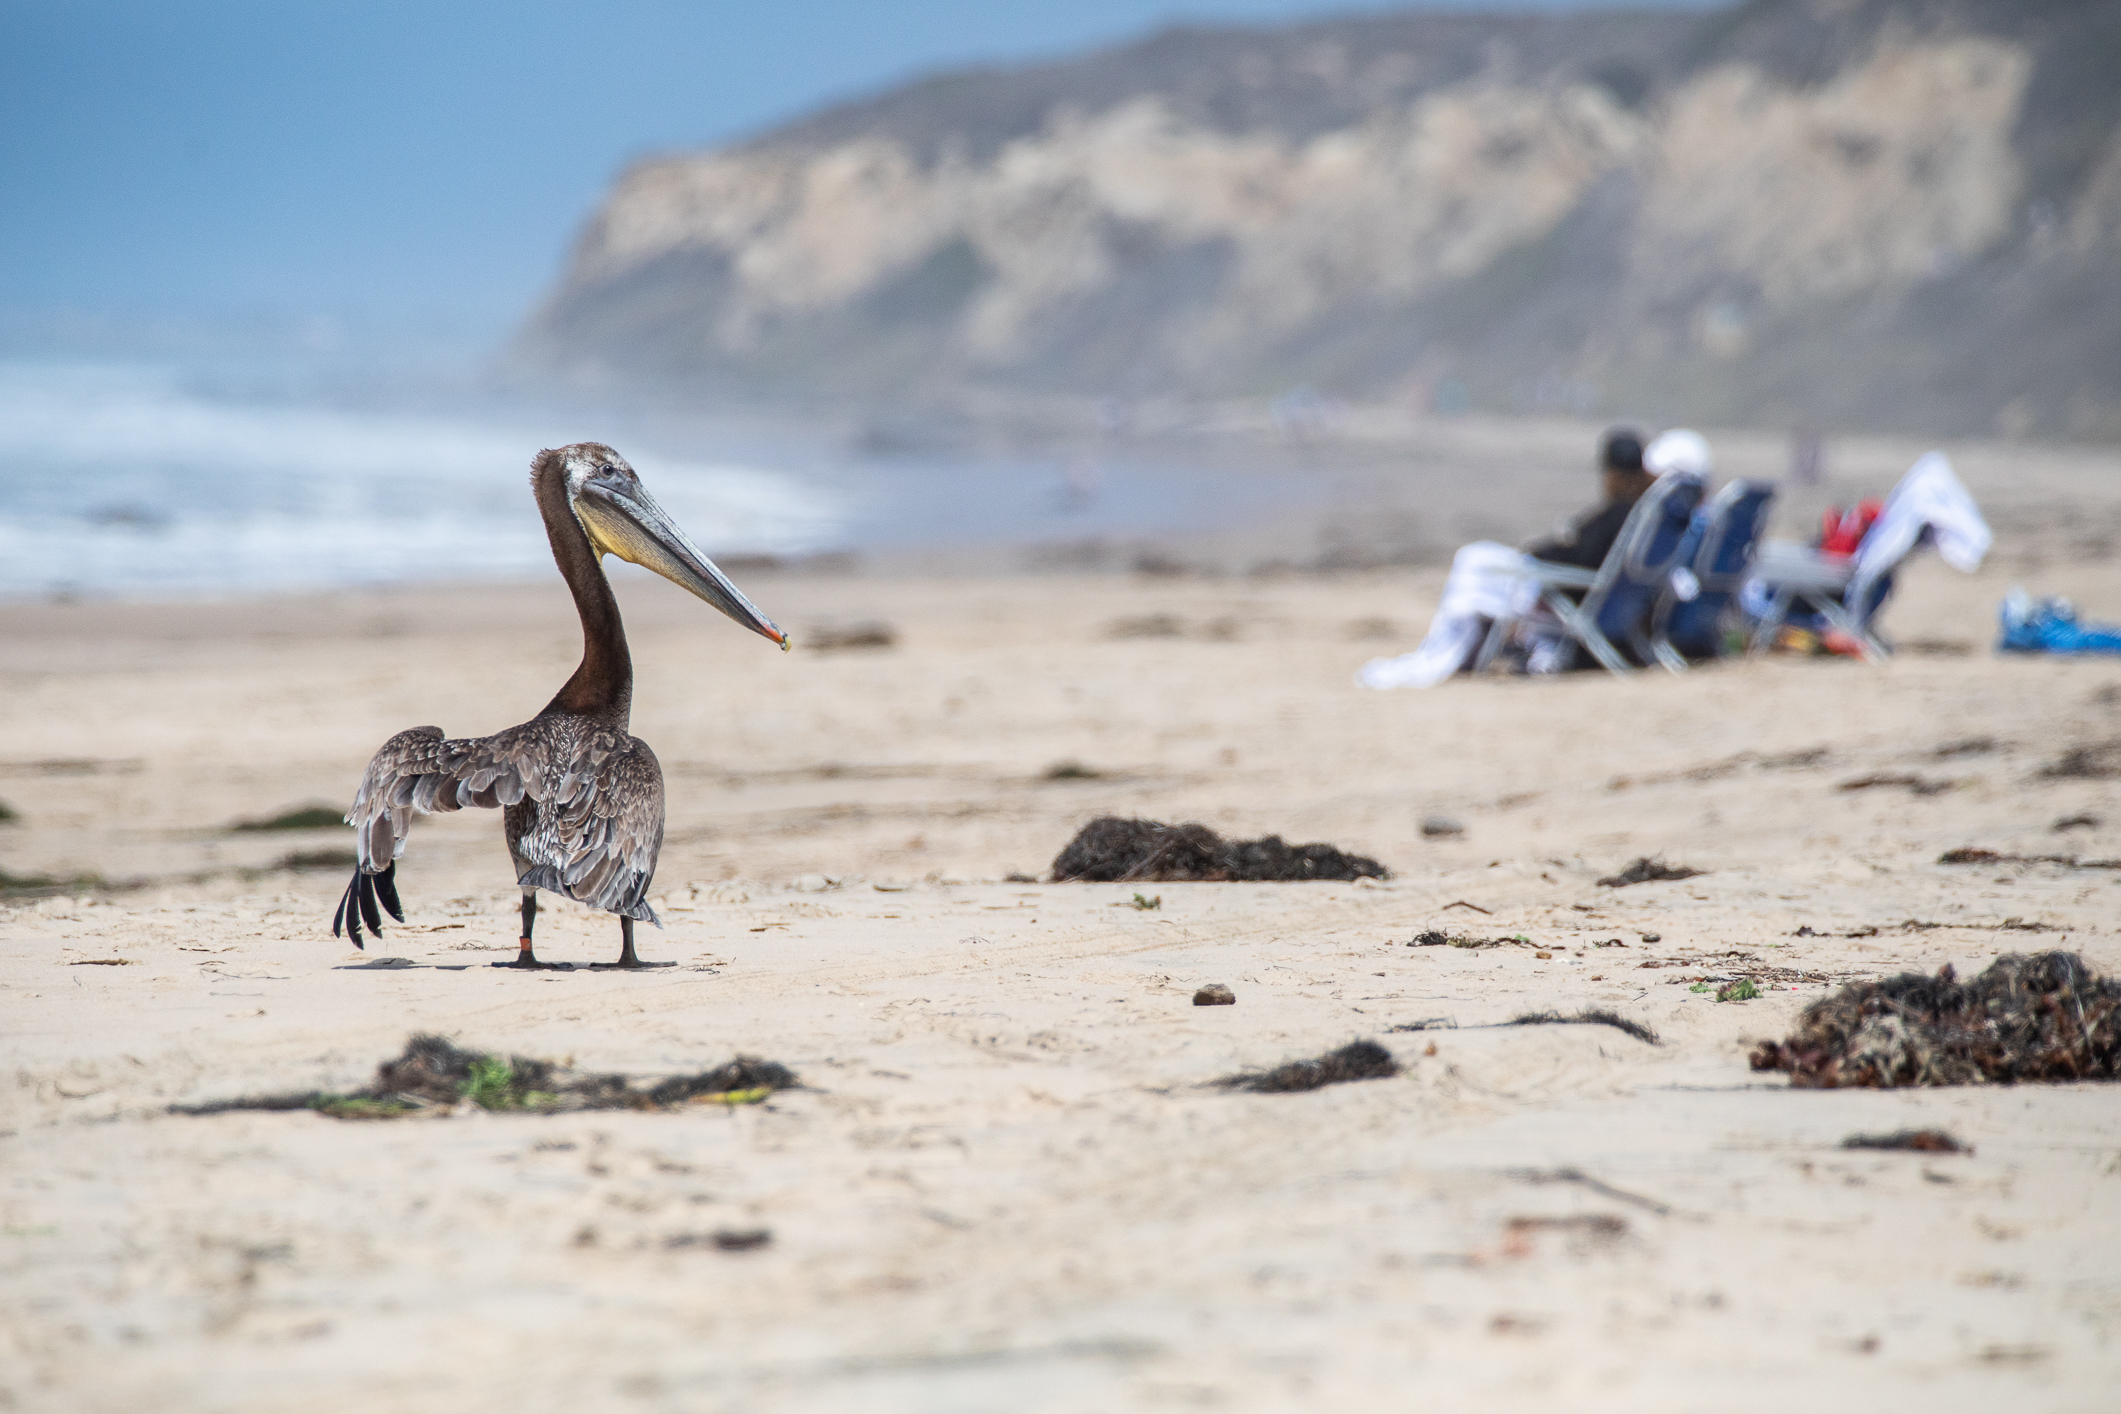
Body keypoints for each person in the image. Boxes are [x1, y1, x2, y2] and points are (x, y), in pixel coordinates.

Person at [1524, 426, 1651, 570]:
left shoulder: (1616, 516)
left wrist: (1533, 553)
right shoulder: (1647, 514)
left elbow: (1577, 556)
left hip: (1564, 575)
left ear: (1613, 475)